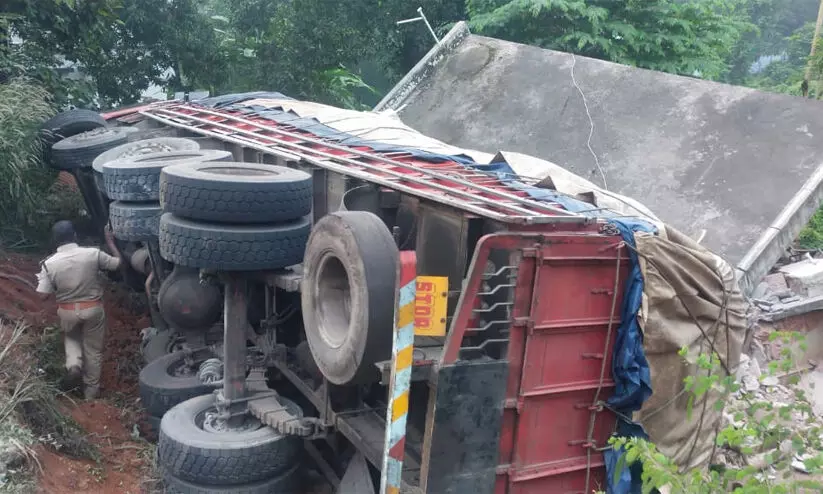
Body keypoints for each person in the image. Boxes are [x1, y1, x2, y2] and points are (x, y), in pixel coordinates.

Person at [36, 221, 122, 399]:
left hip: (67, 311)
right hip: (93, 309)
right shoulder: (92, 254)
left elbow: (42, 295)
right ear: (74, 235)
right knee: (93, 351)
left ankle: (74, 365)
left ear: (55, 240)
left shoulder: (48, 264)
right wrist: (111, 243)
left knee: (72, 340)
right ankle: (91, 393)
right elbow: (117, 264)